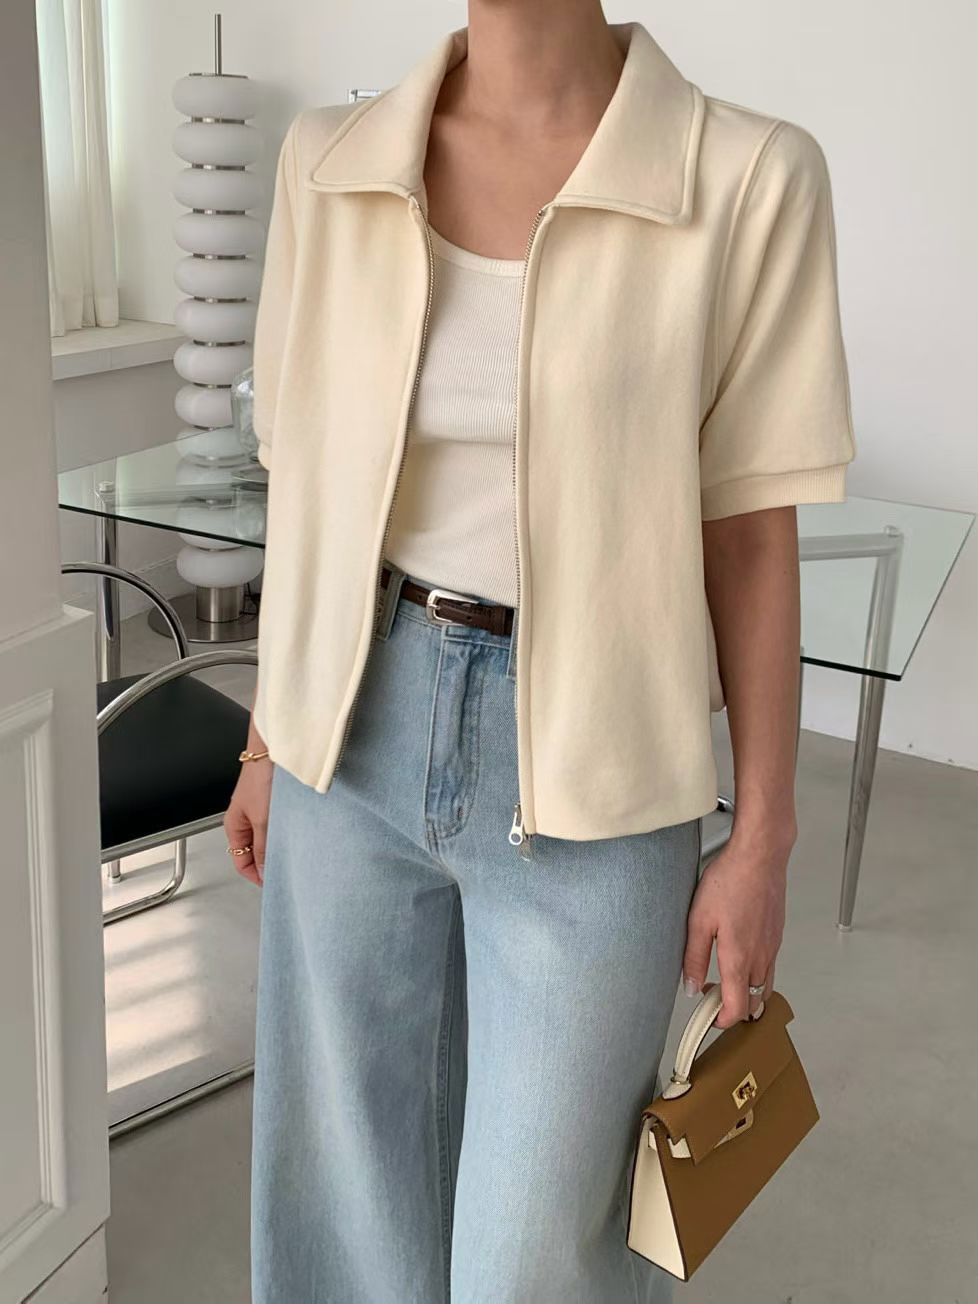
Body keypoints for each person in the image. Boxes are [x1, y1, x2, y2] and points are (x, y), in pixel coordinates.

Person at [225, 2, 856, 1300]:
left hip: (601, 761)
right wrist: (267, 737)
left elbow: (748, 533)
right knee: (342, 1212)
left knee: (538, 1256)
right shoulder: (327, 162)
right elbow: (303, 481)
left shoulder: (746, 176)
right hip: (350, 724)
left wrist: (762, 840)